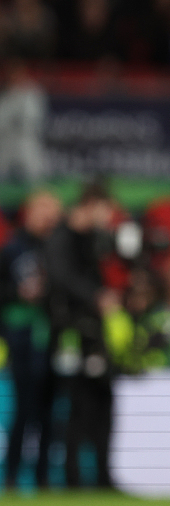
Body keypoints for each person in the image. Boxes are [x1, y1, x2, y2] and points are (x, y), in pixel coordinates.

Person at [45, 182, 119, 489]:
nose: (108, 218)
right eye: (105, 210)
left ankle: (103, 476)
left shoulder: (93, 241)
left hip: (94, 334)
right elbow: (61, 278)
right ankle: (73, 479)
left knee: (104, 402)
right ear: (91, 204)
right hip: (69, 333)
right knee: (76, 406)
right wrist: (95, 296)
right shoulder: (61, 238)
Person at [1, 191, 62, 490]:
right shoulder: (12, 249)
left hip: (48, 336)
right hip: (21, 337)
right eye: (44, 211)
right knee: (24, 410)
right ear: (30, 211)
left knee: (47, 412)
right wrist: (18, 295)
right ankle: (12, 475)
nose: (49, 218)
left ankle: (43, 477)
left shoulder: (55, 248)